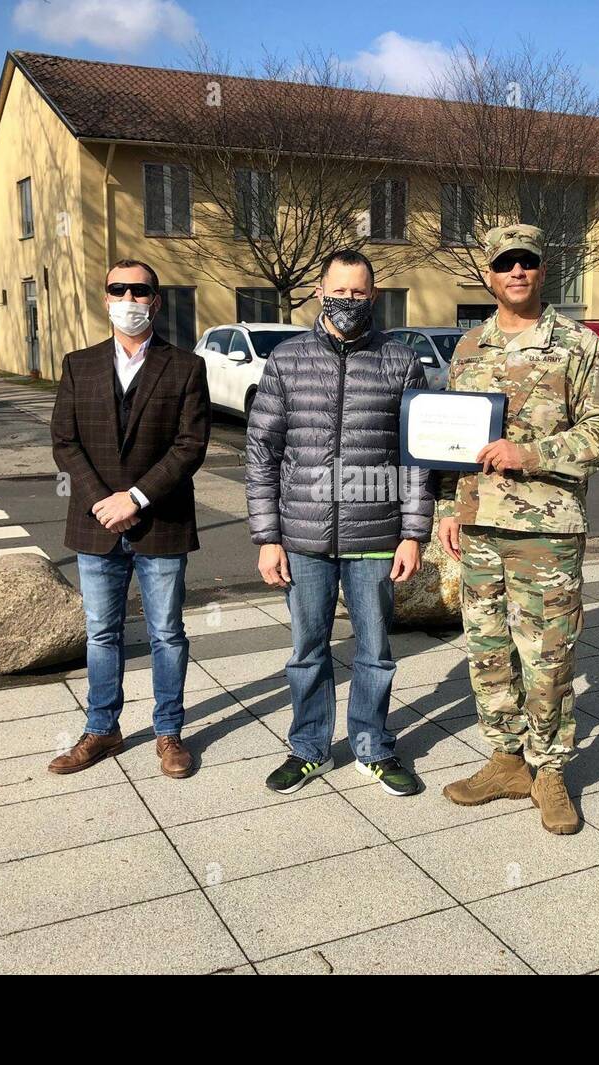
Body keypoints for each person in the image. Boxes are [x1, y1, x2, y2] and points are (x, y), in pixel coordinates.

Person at [435, 224, 599, 833]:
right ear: (489, 275)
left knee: (548, 654)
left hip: (548, 527)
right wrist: (446, 511)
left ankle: (550, 770)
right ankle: (507, 758)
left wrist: (533, 454)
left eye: (527, 262)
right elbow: (445, 440)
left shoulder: (578, 345)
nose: (516, 272)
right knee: (488, 650)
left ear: (543, 271)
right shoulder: (469, 348)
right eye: (504, 263)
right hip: (480, 527)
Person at [246, 248, 433, 797]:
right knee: (307, 650)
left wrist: (413, 532)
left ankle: (373, 746)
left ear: (373, 297)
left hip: (376, 535)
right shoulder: (285, 360)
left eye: (359, 293)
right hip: (301, 537)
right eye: (339, 290)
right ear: (320, 292)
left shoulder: (400, 361)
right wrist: (266, 537)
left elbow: (416, 456)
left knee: (374, 651)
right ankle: (308, 747)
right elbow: (261, 453)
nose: (348, 301)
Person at [48, 258, 211, 779]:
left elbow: (191, 446)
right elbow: (65, 441)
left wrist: (136, 498)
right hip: (96, 522)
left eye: (139, 291)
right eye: (119, 289)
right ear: (106, 299)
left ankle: (169, 733)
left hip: (160, 520)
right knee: (102, 633)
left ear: (155, 302)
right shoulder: (79, 365)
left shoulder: (185, 366)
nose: (129, 299)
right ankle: (102, 728)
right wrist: (105, 500)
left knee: (166, 632)